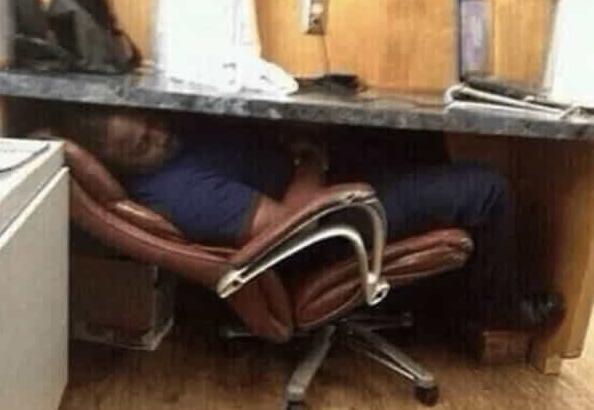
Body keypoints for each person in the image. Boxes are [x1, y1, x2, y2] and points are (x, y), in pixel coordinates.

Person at [56, 105, 563, 331]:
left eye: (150, 122)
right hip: (329, 223)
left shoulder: (174, 150)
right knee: (487, 188)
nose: (159, 134)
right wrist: (311, 161)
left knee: (418, 142)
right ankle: (497, 310)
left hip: (321, 180)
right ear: (121, 163)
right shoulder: (183, 193)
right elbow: (294, 226)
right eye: (141, 144)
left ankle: (456, 295)